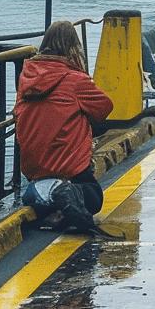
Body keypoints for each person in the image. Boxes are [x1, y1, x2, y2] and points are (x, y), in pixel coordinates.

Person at [15, 21, 113, 230]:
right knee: (94, 198)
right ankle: (62, 192)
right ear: (73, 47)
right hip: (66, 165)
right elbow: (105, 108)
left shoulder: (26, 77)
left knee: (37, 195)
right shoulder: (75, 79)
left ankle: (51, 202)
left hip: (32, 167)